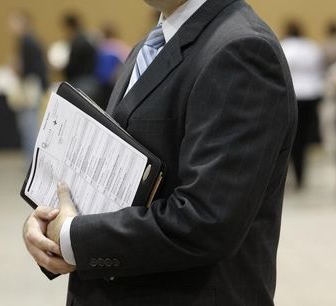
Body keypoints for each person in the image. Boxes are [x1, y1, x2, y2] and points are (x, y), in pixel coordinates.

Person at [23, 0, 296, 305]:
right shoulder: (152, 45)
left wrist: (76, 237)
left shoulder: (241, 49)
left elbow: (207, 220)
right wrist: (51, 227)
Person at [281, 21, 324, 188]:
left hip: (294, 95)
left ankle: (292, 175)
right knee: (305, 137)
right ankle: (301, 175)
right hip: (311, 95)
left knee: (292, 138)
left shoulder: (284, 46)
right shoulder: (312, 47)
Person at [8, 10, 48, 166]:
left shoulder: (27, 41)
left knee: (29, 123)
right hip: (34, 85)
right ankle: (31, 159)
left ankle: (32, 161)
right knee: (29, 123)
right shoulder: (29, 40)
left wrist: (16, 68)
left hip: (31, 86)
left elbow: (28, 69)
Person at [94, 23, 131, 109]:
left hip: (103, 82)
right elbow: (128, 60)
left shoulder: (102, 45)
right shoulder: (118, 45)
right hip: (110, 82)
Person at [62, 13, 98, 98]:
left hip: (81, 83)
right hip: (92, 81)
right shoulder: (87, 38)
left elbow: (72, 66)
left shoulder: (76, 42)